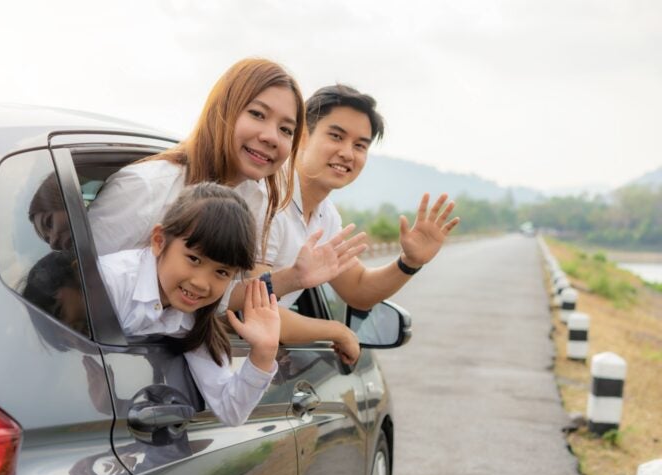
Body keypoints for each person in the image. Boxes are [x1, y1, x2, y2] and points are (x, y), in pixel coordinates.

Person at [87, 57, 366, 312]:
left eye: (285, 130)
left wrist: (294, 278)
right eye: (257, 114)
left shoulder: (253, 199)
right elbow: (77, 288)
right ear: (223, 109)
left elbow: (220, 300)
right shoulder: (146, 188)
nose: (271, 137)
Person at [258, 85, 460, 352]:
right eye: (336, 136)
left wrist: (409, 262)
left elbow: (358, 289)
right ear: (302, 136)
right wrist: (337, 332)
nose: (347, 153)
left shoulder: (325, 214)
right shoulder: (265, 196)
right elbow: (250, 307)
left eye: (360, 145)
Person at [97, 183, 280, 427]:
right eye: (194, 259)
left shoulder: (195, 319)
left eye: (222, 272)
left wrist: (264, 352)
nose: (202, 283)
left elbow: (231, 411)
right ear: (159, 241)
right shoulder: (109, 283)